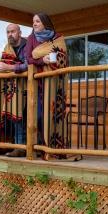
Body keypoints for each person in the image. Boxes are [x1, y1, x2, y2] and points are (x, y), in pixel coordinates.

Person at [25, 13, 76, 160]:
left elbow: (64, 58)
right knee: (40, 116)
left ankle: (56, 149)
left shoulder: (58, 38)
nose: (34, 24)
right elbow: (28, 58)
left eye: (37, 21)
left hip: (56, 84)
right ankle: (42, 148)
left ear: (45, 23)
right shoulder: (31, 39)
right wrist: (42, 60)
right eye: (33, 21)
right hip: (39, 84)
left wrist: (54, 59)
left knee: (55, 116)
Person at [0, 24, 28, 156]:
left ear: (20, 33)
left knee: (18, 116)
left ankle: (21, 146)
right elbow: (5, 63)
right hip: (10, 89)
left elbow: (28, 65)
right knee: (8, 115)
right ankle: (8, 144)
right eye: (8, 32)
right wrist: (1, 67)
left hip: (27, 88)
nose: (10, 34)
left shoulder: (28, 45)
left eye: (13, 31)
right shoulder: (7, 47)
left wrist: (8, 67)